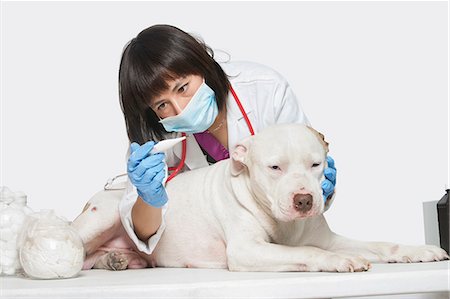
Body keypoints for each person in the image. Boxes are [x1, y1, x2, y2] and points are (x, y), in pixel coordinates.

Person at [118, 24, 336, 254]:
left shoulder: (265, 90)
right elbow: (144, 233)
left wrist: (321, 185)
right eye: (162, 105)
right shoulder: (153, 139)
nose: (180, 108)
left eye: (183, 88)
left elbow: (306, 171)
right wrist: (149, 198)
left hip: (282, 240)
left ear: (202, 62)